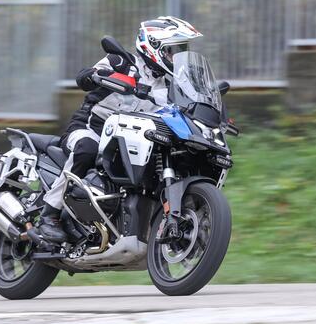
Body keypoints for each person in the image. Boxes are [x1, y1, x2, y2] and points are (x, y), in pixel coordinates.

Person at [39, 16, 203, 242]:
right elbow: (84, 78)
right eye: (173, 50)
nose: (177, 56)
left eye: (181, 50)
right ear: (153, 46)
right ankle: (49, 214)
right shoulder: (121, 62)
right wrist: (98, 76)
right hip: (90, 128)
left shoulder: (169, 86)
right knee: (87, 148)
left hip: (130, 140)